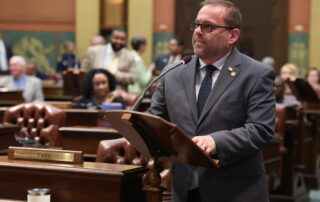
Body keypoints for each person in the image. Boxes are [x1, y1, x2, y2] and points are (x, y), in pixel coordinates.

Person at [147, 1, 276, 201]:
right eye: (196, 25)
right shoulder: (173, 72)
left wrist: (215, 140)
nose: (198, 31)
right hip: (183, 187)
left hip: (235, 189)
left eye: (208, 26)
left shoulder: (256, 74)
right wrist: (133, 128)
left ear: (232, 35)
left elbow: (260, 129)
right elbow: (155, 119)